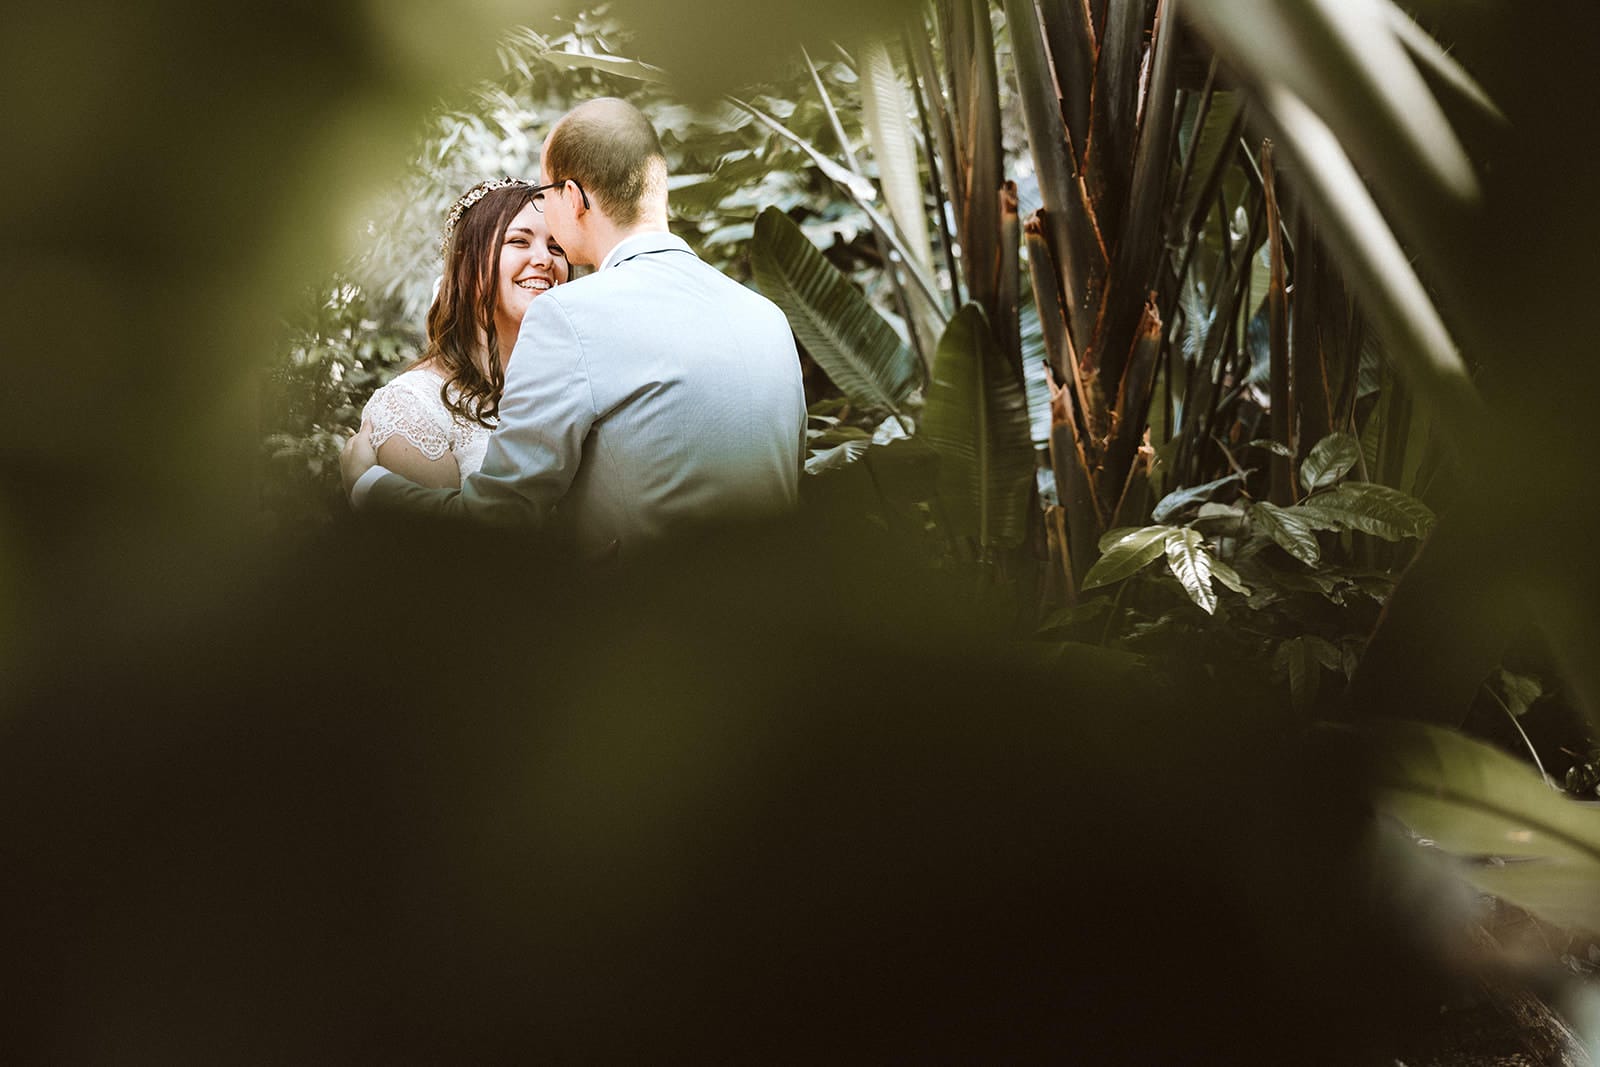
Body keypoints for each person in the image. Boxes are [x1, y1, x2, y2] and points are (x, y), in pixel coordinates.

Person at [341, 98, 806, 558]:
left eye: (544, 195)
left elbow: (500, 519)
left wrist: (370, 487)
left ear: (572, 197)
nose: (545, 251)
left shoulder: (570, 315)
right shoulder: (769, 318)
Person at [361, 178, 568, 488]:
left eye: (556, 246)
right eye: (519, 242)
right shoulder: (412, 406)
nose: (545, 259)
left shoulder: (570, 385)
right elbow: (448, 537)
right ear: (467, 264)